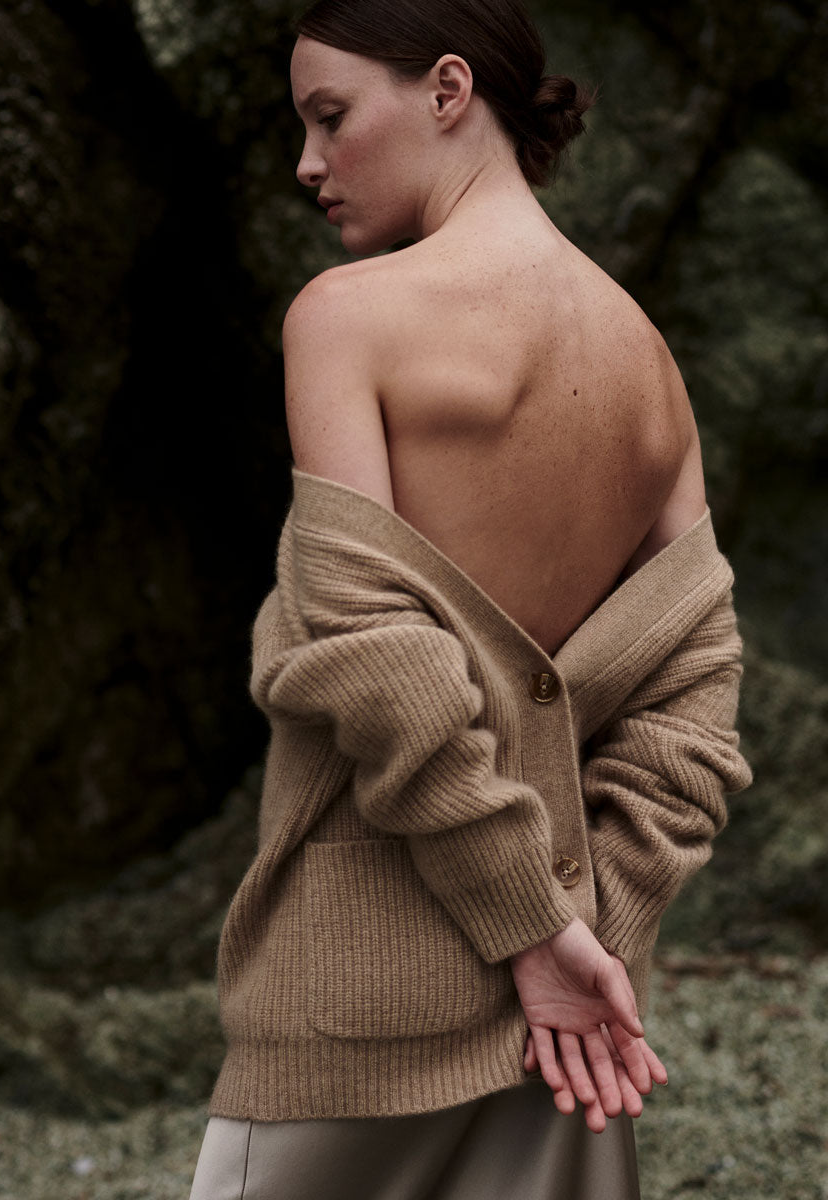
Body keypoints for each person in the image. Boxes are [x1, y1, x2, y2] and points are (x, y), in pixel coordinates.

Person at [189, 1, 752, 1196]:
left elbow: (367, 653)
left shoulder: (345, 318)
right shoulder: (648, 360)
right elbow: (695, 709)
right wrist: (585, 935)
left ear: (449, 90)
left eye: (330, 116)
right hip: (579, 1036)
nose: (307, 163)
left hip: (364, 1006)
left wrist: (530, 930)